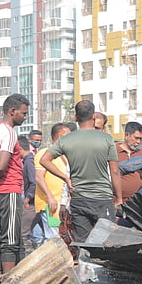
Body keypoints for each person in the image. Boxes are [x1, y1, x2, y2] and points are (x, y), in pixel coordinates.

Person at [40, 99, 123, 241]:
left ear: (76, 117)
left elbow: (44, 160)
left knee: (83, 243)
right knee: (106, 242)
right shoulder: (107, 139)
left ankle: (84, 263)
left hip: (79, 200)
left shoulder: (66, 140)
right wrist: (119, 198)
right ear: (94, 117)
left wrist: (65, 178)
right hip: (102, 199)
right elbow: (114, 171)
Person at [0, 93, 29, 276]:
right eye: (23, 113)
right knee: (10, 240)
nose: (25, 117)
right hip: (8, 190)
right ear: (12, 111)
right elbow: (1, 165)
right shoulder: (10, 132)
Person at [32, 122, 72, 247]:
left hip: (62, 204)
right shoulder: (45, 153)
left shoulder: (64, 156)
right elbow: (39, 177)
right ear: (60, 137)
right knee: (53, 237)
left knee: (59, 234)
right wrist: (50, 197)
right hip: (50, 204)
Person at [116, 122, 142, 203]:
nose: (138, 142)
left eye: (140, 139)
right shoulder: (112, 152)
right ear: (127, 135)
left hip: (137, 204)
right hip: (116, 203)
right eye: (136, 138)